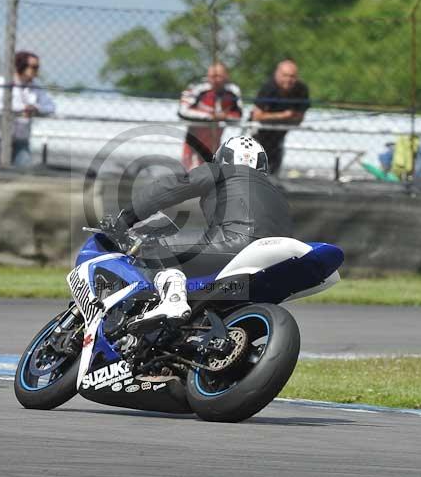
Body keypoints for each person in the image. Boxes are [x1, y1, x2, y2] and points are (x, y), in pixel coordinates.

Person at [116, 136, 294, 329]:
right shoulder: (276, 191)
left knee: (156, 245)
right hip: (275, 258)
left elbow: (168, 189)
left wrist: (127, 218)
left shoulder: (220, 170)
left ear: (222, 158)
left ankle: (173, 300)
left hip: (237, 243)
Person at [0, 51, 55, 166]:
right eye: (34, 67)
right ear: (21, 66)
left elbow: (51, 107)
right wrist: (21, 109)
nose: (37, 70)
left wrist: (36, 108)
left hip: (21, 138)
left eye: (37, 67)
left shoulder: (36, 86)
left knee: (24, 170)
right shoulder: (4, 81)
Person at [250, 59, 311, 175]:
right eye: (285, 75)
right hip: (257, 134)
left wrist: (286, 118)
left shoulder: (301, 90)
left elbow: (299, 118)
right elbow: (257, 116)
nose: (288, 80)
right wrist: (284, 115)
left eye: (292, 76)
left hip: (278, 137)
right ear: (277, 75)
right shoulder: (268, 88)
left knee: (273, 170)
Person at [178, 62, 243, 170]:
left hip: (214, 145)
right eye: (212, 76)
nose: (216, 80)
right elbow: (182, 111)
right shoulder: (197, 88)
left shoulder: (232, 91)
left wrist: (224, 116)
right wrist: (210, 116)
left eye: (219, 76)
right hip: (194, 145)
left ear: (226, 76)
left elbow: (238, 115)